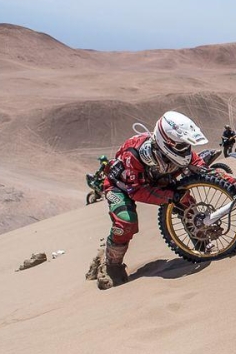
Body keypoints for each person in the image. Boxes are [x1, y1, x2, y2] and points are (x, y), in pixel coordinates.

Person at [88, 111, 209, 290]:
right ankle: (111, 265)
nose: (184, 148)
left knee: (186, 202)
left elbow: (199, 164)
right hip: (119, 187)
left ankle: (204, 246)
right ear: (166, 141)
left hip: (152, 181)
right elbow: (136, 190)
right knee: (125, 223)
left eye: (185, 144)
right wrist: (170, 196)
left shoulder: (178, 150)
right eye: (180, 144)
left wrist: (228, 182)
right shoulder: (135, 153)